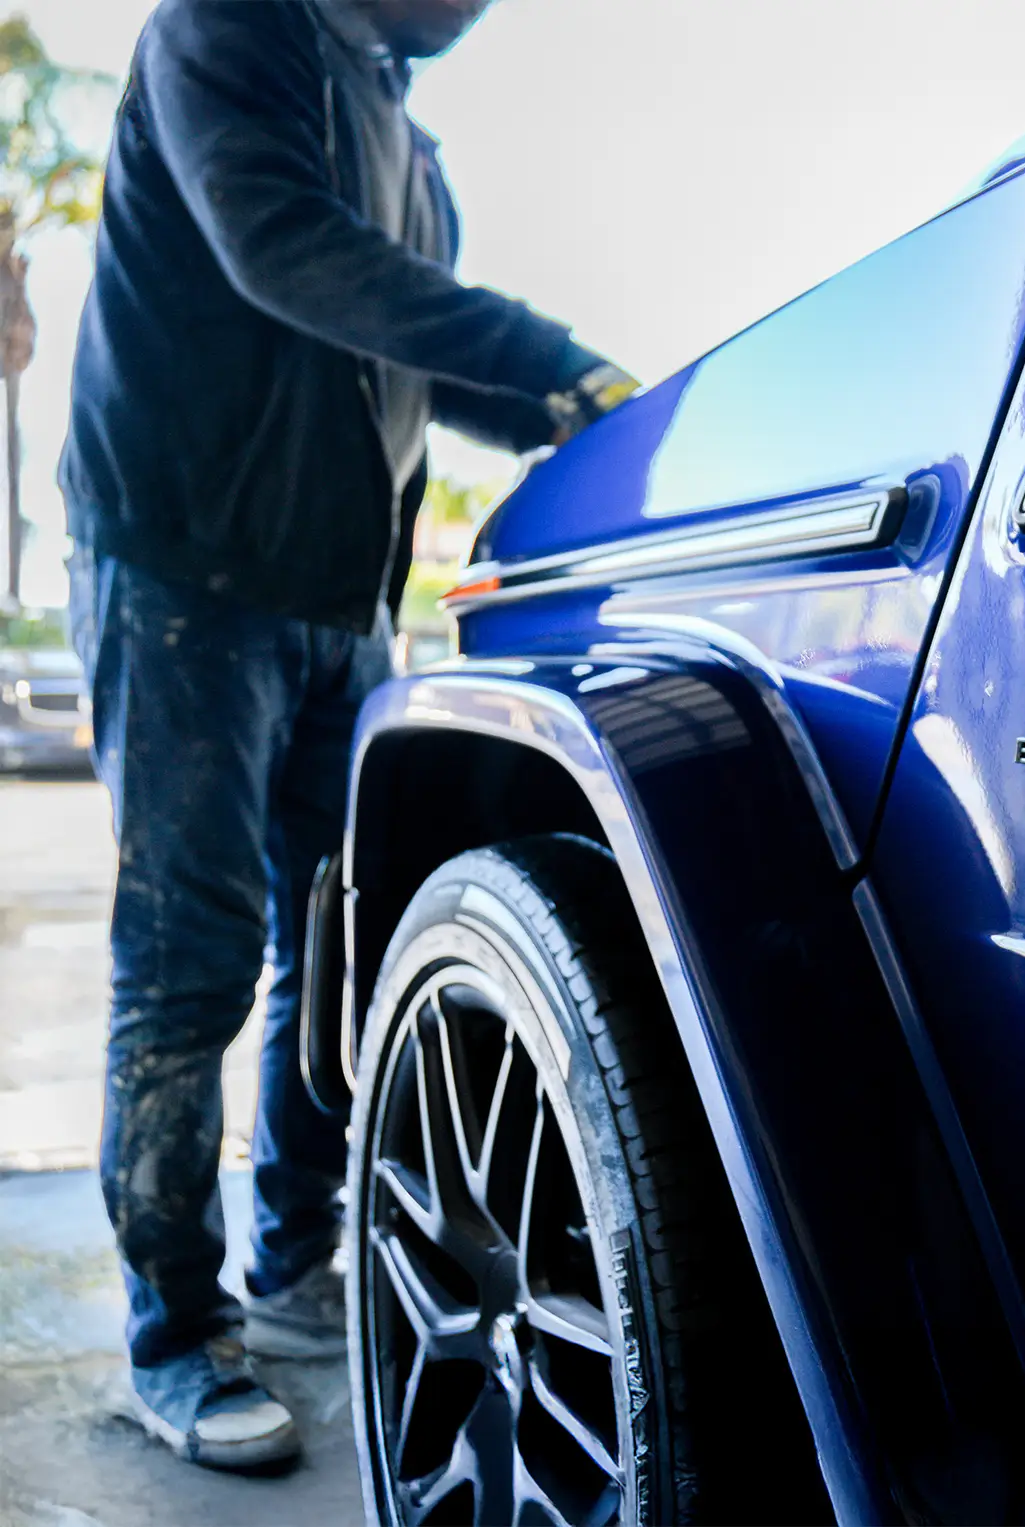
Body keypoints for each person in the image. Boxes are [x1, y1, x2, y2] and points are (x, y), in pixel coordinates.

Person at [59, 0, 635, 1471]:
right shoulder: (223, 35)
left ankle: (295, 1263)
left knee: (341, 951)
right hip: (181, 571)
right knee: (188, 959)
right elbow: (290, 256)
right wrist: (550, 348)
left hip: (338, 598)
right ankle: (174, 1340)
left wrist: (586, 411)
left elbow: (418, 362)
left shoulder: (414, 146)